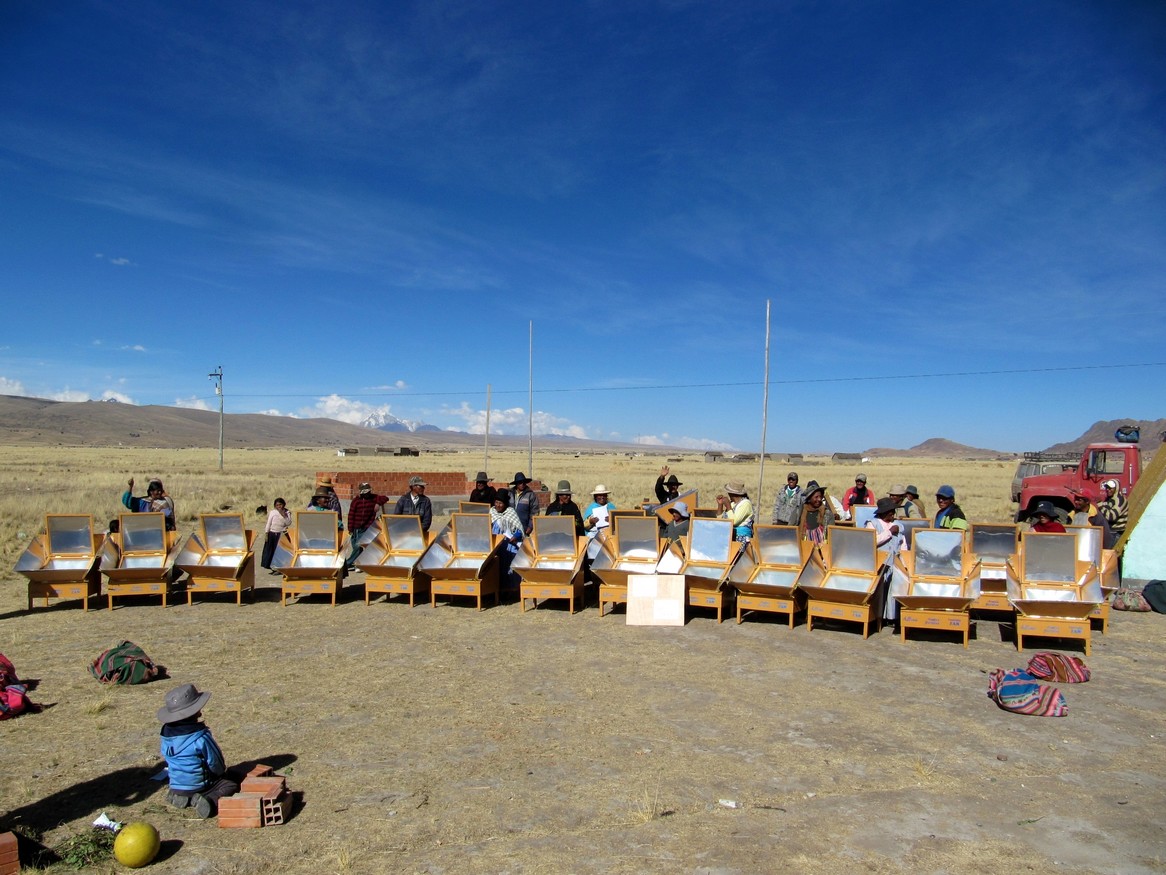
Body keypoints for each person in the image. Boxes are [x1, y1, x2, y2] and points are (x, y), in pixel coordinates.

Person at [157, 683, 240, 819]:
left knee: (184, 783)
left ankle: (178, 795)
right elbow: (215, 762)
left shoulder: (166, 734)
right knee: (230, 784)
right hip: (199, 785)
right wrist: (220, 774)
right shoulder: (200, 736)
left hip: (176, 784)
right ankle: (209, 800)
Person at [346, 482, 390, 570]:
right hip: (356, 528)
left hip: (367, 527)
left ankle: (347, 564)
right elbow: (351, 515)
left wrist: (378, 503)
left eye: (368, 492)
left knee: (360, 546)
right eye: (365, 492)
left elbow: (385, 498)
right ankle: (357, 564)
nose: (367, 494)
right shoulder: (356, 501)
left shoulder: (374, 498)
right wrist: (350, 529)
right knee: (356, 548)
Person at [490, 492, 524, 594]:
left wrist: (515, 536)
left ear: (505, 504)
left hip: (509, 546)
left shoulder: (511, 513)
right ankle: (496, 589)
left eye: (500, 503)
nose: (498, 505)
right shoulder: (491, 512)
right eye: (496, 502)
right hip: (496, 546)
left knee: (509, 567)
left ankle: (511, 591)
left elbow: (519, 530)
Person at [583, 485, 616, 560]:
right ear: (595, 496)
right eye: (599, 495)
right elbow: (584, 525)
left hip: (608, 533)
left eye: (604, 495)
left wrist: (612, 520)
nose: (602, 497)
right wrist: (591, 521)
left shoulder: (611, 507)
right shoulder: (591, 508)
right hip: (594, 534)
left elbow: (618, 522)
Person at [261, 498, 291, 572]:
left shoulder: (287, 512)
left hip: (281, 535)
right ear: (275, 506)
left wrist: (284, 515)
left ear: (283, 504)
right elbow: (269, 523)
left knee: (279, 552)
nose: (279, 506)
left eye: (280, 504)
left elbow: (288, 523)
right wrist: (266, 533)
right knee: (270, 551)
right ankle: (272, 567)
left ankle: (279, 568)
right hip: (272, 534)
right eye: (277, 505)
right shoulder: (273, 512)